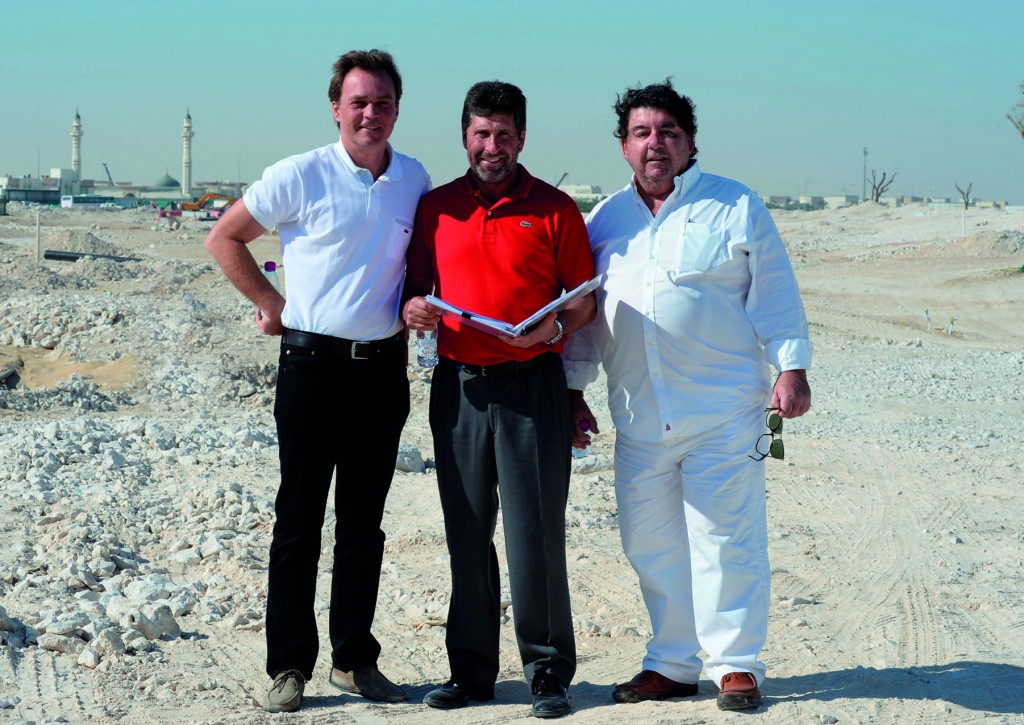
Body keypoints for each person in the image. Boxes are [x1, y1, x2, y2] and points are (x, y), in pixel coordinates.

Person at [563, 80, 813, 712]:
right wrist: (572, 389)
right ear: (624, 147)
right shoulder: (605, 221)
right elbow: (592, 316)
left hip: (724, 414)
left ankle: (736, 665)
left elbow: (775, 294)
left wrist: (790, 368)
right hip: (639, 420)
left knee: (726, 540)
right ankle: (672, 663)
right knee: (650, 545)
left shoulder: (736, 206)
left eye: (668, 133)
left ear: (690, 142)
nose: (656, 145)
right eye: (642, 133)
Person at [203, 49, 430, 713]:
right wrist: (271, 305)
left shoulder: (412, 178)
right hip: (310, 367)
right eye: (358, 101)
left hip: (382, 369)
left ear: (396, 109)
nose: (370, 113)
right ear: (336, 107)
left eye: (383, 102)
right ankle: (289, 666)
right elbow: (225, 237)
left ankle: (355, 659)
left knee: (365, 523)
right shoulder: (300, 174)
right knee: (298, 519)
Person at [402, 81, 596, 720]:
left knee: (534, 533)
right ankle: (472, 673)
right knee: (467, 533)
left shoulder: (555, 208)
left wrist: (560, 327)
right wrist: (414, 311)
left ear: (521, 138)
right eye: (482, 134)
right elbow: (412, 289)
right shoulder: (435, 208)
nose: (493, 146)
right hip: (458, 388)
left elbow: (584, 298)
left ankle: (547, 671)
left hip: (531, 386)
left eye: (505, 134)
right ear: (465, 136)